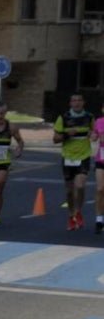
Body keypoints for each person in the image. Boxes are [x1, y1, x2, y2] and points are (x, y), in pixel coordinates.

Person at [54, 93, 93, 230]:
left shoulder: (89, 117)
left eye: (79, 100)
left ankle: (78, 212)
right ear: (70, 103)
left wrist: (93, 135)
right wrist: (66, 134)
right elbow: (55, 139)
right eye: (74, 101)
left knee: (80, 186)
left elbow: (95, 132)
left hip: (84, 156)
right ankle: (71, 216)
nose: (77, 103)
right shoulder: (63, 118)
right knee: (70, 191)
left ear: (83, 102)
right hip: (68, 157)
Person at [93, 109, 104, 234]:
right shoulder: (100, 121)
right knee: (100, 189)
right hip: (101, 159)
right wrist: (94, 136)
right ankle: (99, 220)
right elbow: (95, 137)